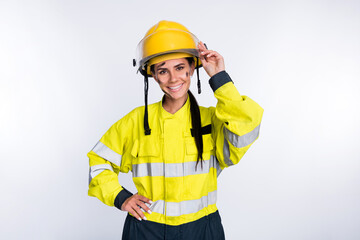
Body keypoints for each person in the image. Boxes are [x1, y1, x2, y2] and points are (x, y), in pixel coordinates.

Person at [88, 20, 263, 240]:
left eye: (180, 67)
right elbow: (98, 161)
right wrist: (121, 197)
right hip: (146, 228)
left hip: (202, 229)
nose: (173, 79)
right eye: (163, 71)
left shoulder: (213, 119)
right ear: (152, 75)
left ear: (192, 67)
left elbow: (247, 125)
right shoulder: (135, 121)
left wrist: (219, 77)